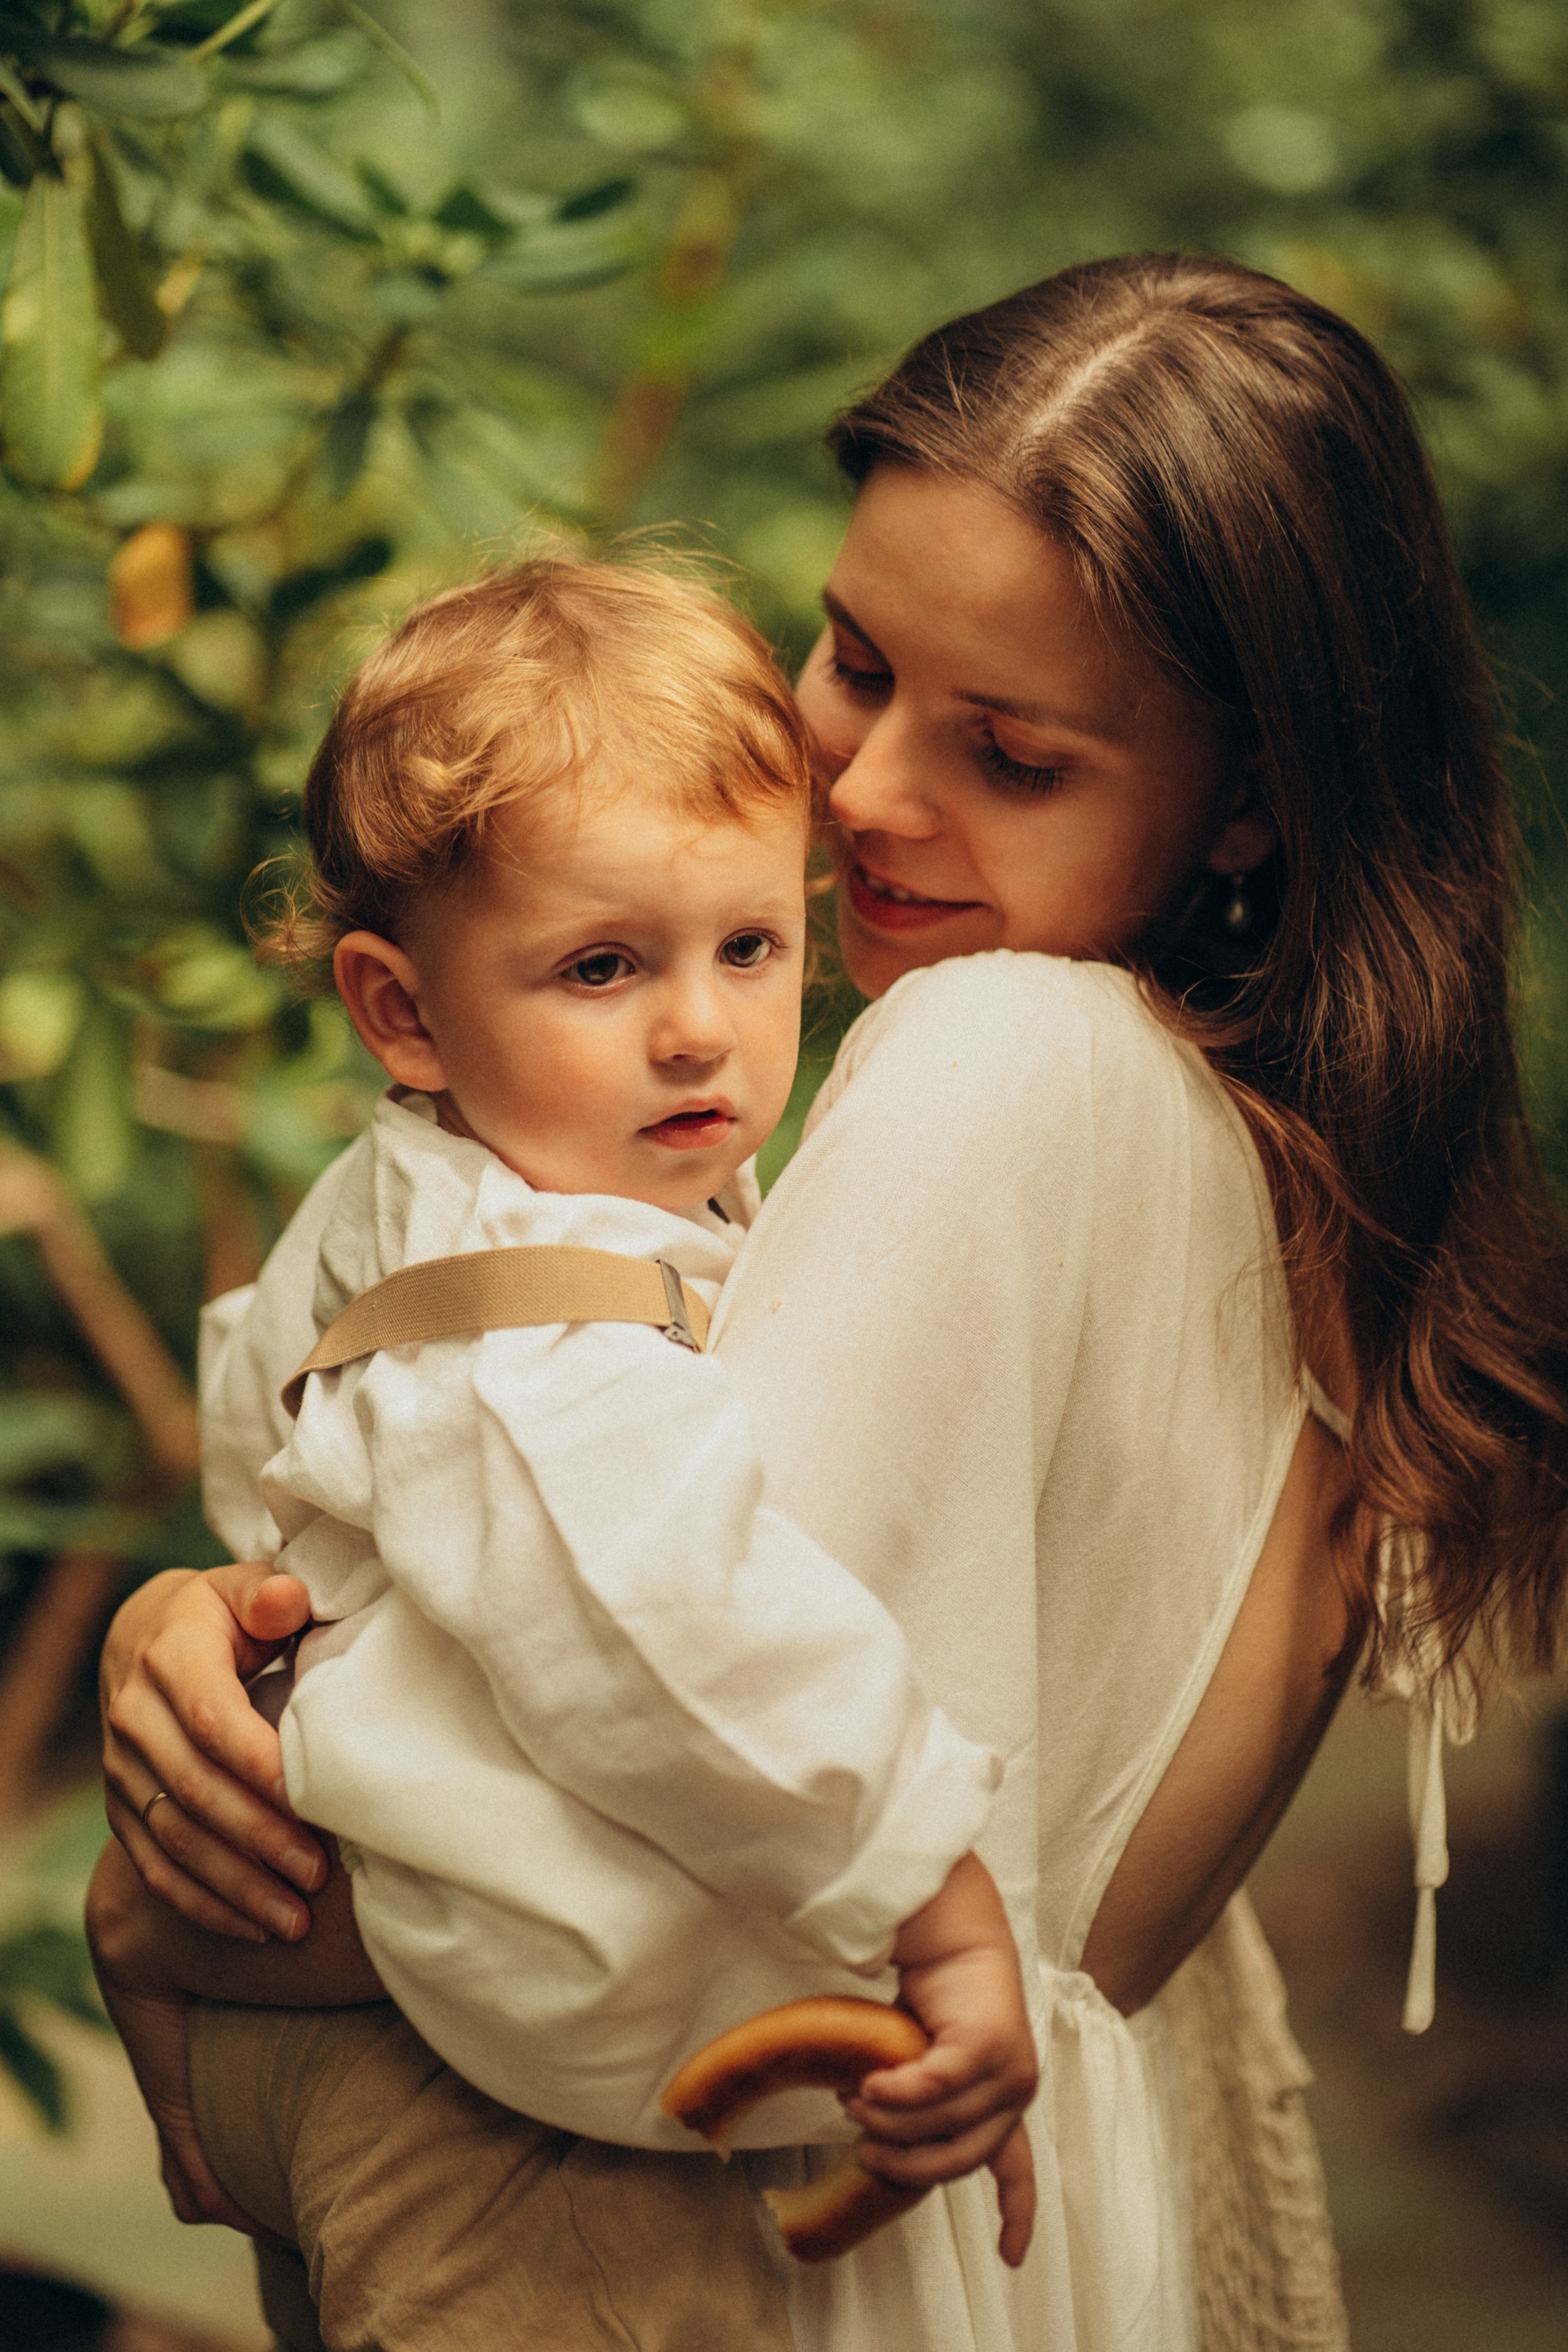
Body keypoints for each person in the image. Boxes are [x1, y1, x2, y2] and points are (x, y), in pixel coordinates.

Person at [91, 252, 1568, 2352]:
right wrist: (224, 1606)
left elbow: (670, 1835)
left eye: (1012, 754)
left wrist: (177, 1880)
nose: (859, 794)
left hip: (762, 2221)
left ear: (1252, 794)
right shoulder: (1277, 1165)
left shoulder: (1001, 1058)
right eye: (856, 660)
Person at [99, 555, 1039, 2350]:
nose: (698, 1026)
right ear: (400, 1009)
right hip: (507, 2102)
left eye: (749, 946)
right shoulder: (544, 1336)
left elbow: (258, 1408)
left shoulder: (421, 1184)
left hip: (355, 1987)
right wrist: (940, 1908)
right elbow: (684, 1628)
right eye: (602, 966)